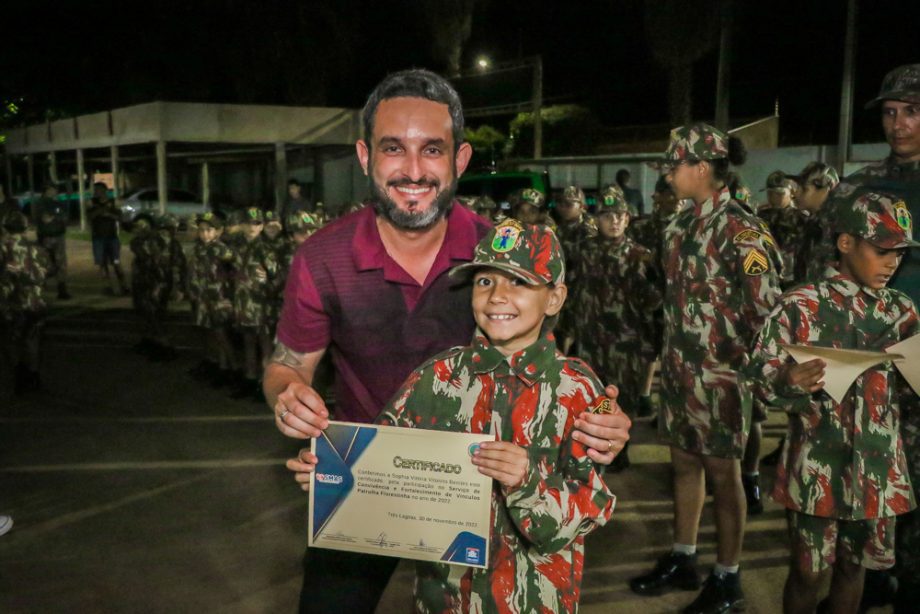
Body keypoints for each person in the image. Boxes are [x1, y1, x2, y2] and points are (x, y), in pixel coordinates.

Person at [263, 68, 631, 613]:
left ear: (459, 160)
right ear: (366, 157)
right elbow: (286, 365)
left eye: (432, 149)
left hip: (487, 493)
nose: (413, 170)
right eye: (394, 148)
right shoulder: (322, 257)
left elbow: (555, 376)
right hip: (372, 477)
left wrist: (602, 427)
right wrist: (288, 397)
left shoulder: (503, 256)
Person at [342, 222, 613, 612]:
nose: (497, 296)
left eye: (518, 282)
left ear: (554, 299)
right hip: (444, 600)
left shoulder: (579, 390)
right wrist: (334, 473)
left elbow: (591, 504)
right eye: (485, 281)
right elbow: (381, 466)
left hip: (533, 602)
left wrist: (527, 481)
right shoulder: (435, 378)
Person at [629, 123, 783, 614]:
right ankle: (685, 556)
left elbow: (767, 311)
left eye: (674, 167)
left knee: (724, 474)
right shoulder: (676, 226)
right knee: (683, 465)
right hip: (679, 372)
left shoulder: (745, 230)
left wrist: (756, 374)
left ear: (701, 167)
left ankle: (728, 577)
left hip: (722, 378)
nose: (669, 176)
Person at [749, 190, 919, 614]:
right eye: (882, 250)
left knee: (853, 569)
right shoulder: (802, 306)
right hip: (816, 465)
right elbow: (756, 373)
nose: (892, 262)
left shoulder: (901, 311)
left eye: (899, 252)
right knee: (807, 572)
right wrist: (786, 378)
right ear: (846, 243)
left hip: (878, 468)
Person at [807, 64, 920, 611]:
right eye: (891, 113)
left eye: (912, 112)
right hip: (864, 368)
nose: (898, 125)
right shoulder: (858, 186)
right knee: (861, 503)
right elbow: (819, 270)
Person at [573, 186, 662, 471]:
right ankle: (597, 444)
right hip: (591, 341)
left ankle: (620, 447)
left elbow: (655, 304)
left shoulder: (641, 256)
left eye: (619, 216)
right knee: (593, 396)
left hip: (627, 343)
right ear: (596, 220)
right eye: (606, 215)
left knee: (623, 397)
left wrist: (653, 344)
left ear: (627, 219)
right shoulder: (582, 252)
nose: (613, 221)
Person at [0, 211, 49, 394]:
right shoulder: (38, 249)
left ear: (5, 228)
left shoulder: (4, 248)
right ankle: (34, 375)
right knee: (33, 339)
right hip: (36, 302)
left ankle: (19, 375)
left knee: (12, 340)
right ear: (26, 227)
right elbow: (47, 271)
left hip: (12, 303)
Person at [553, 185, 597, 353]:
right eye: (561, 204)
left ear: (582, 206)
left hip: (580, 289)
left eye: (569, 204)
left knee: (573, 335)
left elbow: (586, 260)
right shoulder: (560, 227)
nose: (563, 208)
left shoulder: (587, 230)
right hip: (562, 287)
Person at [87, 182, 129, 296]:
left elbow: (120, 217)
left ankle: (124, 286)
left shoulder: (114, 202)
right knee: (102, 263)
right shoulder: (92, 202)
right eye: (95, 190)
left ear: (105, 190)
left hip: (112, 237)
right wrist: (102, 210)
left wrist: (109, 214)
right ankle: (107, 287)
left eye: (99, 189)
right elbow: (90, 216)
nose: (97, 192)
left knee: (116, 262)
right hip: (98, 238)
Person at [33, 184, 70, 299]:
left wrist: (55, 216)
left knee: (60, 264)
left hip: (58, 235)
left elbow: (65, 218)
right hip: (46, 236)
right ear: (47, 190)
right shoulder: (41, 203)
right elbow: (46, 219)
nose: (55, 192)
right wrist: (57, 216)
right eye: (53, 189)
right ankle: (41, 286)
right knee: (48, 264)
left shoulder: (57, 203)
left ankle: (61, 289)